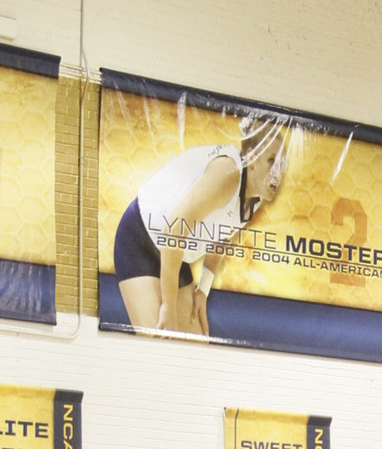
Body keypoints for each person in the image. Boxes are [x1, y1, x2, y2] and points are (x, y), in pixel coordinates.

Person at [114, 116, 290, 335]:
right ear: (252, 158)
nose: (277, 172)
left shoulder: (256, 194)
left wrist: (202, 291)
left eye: (282, 163)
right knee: (159, 344)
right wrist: (168, 307)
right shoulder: (228, 174)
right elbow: (174, 230)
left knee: (196, 345)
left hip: (173, 255)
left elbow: (222, 236)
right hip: (139, 241)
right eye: (272, 161)